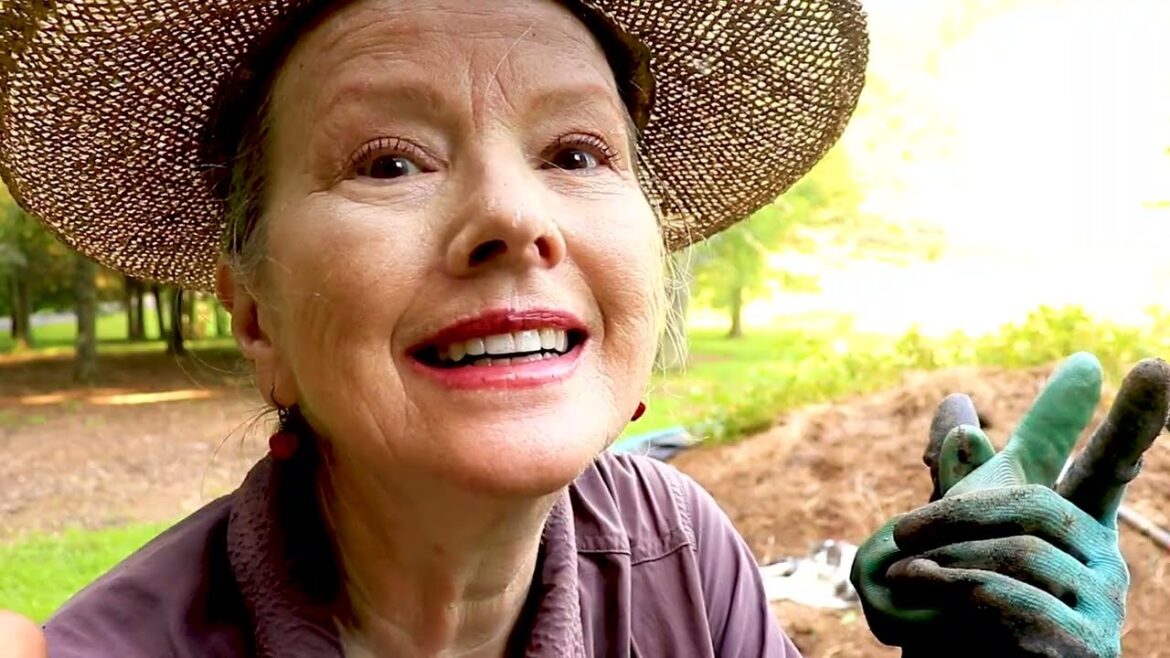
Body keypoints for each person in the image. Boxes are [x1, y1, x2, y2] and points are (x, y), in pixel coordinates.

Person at [0, 0, 1163, 656]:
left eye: (576, 153)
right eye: (388, 160)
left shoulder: (681, 554)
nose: (513, 216)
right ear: (255, 314)